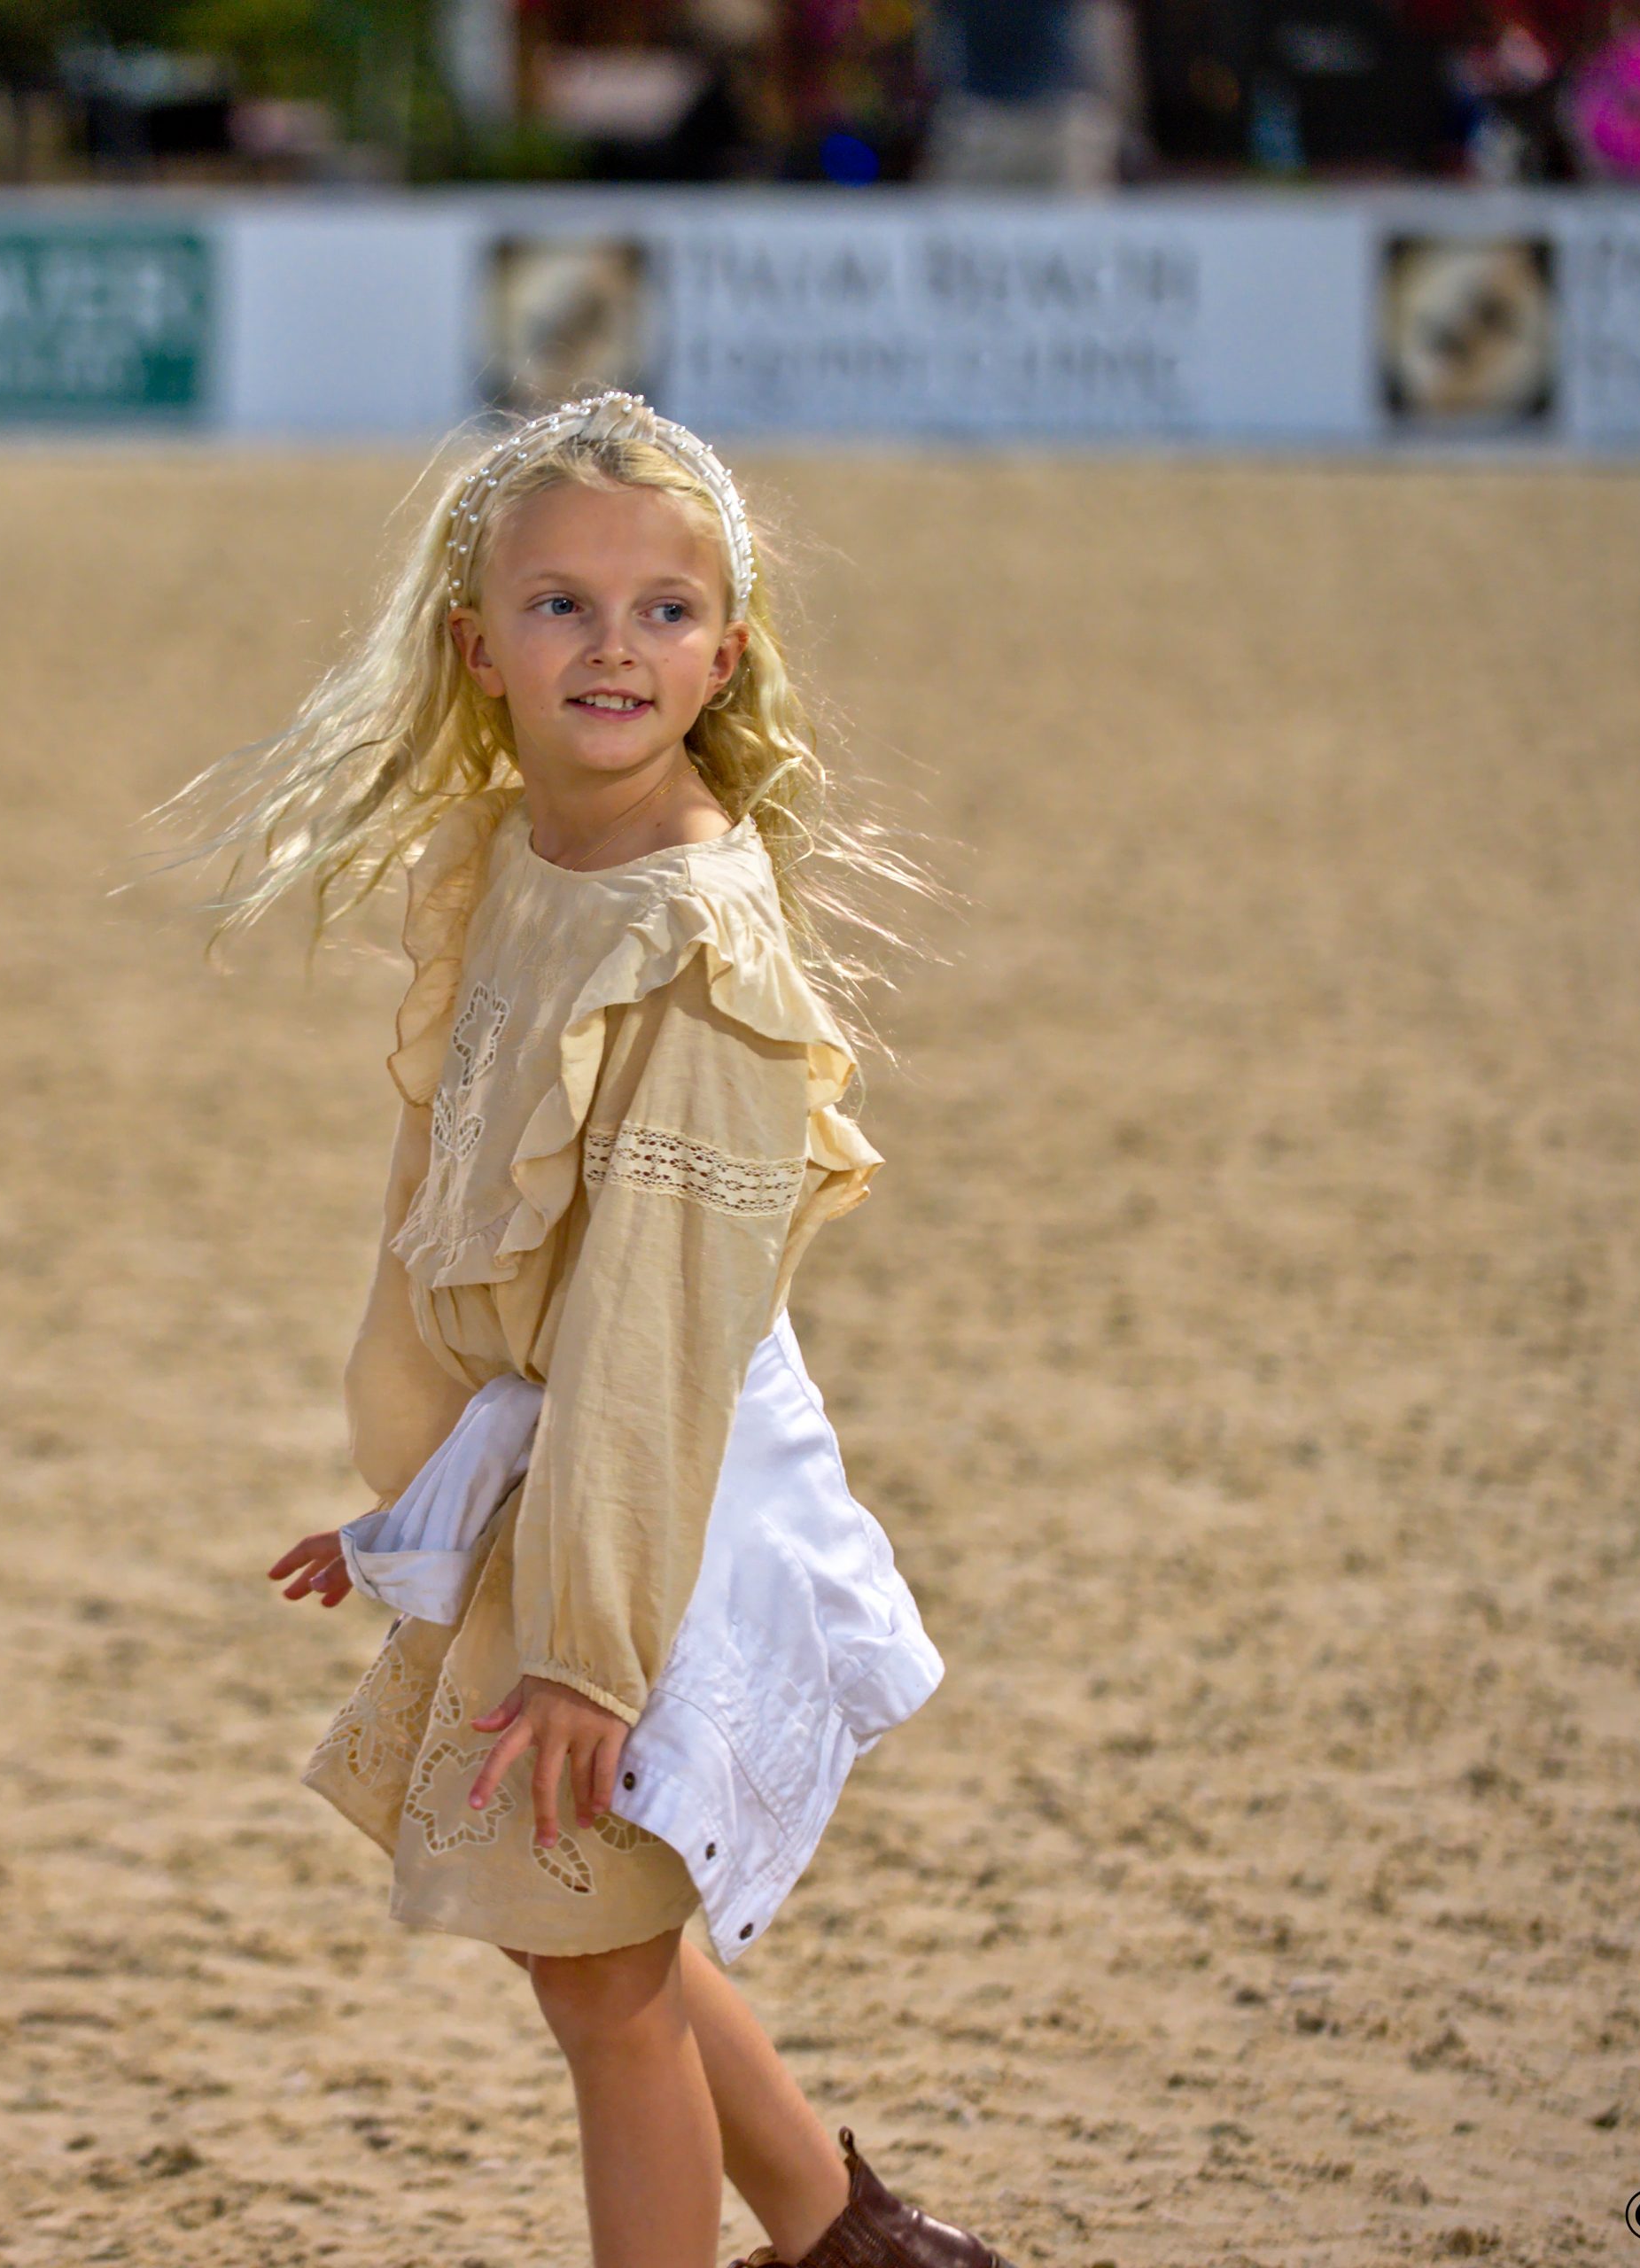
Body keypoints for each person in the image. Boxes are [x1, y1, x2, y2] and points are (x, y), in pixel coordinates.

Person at [153, 391, 1015, 2268]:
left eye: (660, 609)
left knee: (601, 1985)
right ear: (475, 641)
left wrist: (588, 1648)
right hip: (549, 1492)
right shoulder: (515, 860)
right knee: (602, 1930)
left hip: (659, 1509)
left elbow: (649, 1337)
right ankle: (849, 2236)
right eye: (558, 605)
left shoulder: (691, 944)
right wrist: (430, 1503)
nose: (610, 646)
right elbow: (464, 1213)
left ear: (726, 646)